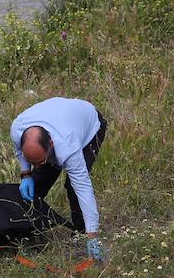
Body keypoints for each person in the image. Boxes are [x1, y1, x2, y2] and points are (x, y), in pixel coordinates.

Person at [10, 97, 108, 260]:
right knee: (37, 183)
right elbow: (20, 152)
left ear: (52, 145)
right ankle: (28, 231)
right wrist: (26, 174)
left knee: (72, 187)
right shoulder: (17, 129)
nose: (39, 165)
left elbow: (83, 188)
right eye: (33, 162)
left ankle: (82, 235)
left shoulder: (68, 144)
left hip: (89, 124)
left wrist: (93, 235)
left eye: (41, 161)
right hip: (58, 117)